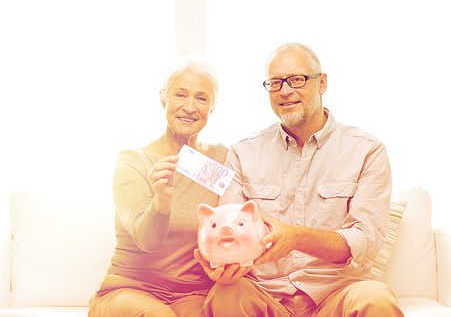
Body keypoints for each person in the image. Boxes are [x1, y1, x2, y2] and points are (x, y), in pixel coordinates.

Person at [194, 43, 404, 317]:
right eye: (275, 83)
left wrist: (297, 239)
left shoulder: (367, 150)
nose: (285, 90)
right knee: (225, 295)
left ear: (322, 83)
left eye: (297, 80)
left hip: (335, 294)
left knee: (376, 299)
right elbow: (229, 229)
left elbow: (365, 239)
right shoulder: (243, 152)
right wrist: (224, 265)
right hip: (265, 293)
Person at [88, 56, 228, 317]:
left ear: (213, 106)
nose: (189, 107)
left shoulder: (221, 159)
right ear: (163, 98)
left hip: (192, 294)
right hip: (130, 290)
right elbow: (147, 240)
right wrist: (161, 201)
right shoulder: (132, 162)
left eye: (201, 98)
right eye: (180, 95)